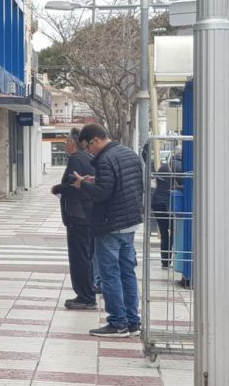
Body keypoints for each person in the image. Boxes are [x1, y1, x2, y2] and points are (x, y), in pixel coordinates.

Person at [73, 124, 144, 338]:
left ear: (95, 140)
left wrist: (83, 185)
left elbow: (103, 194)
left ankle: (117, 322)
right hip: (129, 222)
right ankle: (133, 321)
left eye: (88, 147)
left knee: (110, 275)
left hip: (110, 224)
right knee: (127, 273)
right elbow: (123, 184)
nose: (90, 152)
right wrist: (95, 180)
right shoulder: (128, 154)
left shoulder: (105, 159)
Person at [51, 128, 97, 310]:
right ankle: (87, 292)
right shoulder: (87, 157)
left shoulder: (77, 159)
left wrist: (57, 188)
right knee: (86, 255)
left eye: (66, 142)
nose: (64, 145)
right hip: (86, 214)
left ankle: (85, 296)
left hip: (78, 215)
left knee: (79, 257)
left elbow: (74, 185)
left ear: (72, 143)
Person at [151, 146, 183, 269]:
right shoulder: (181, 167)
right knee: (175, 232)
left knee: (164, 233)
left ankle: (165, 261)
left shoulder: (164, 166)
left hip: (158, 203)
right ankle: (177, 259)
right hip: (171, 204)